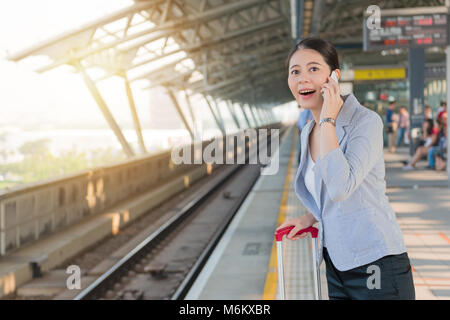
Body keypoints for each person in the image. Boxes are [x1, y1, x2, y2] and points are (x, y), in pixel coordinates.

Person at [277, 37, 414, 300]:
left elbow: (341, 187)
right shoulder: (309, 131)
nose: (303, 78)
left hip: (377, 264)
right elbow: (329, 193)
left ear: (334, 77)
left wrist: (328, 118)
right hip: (337, 264)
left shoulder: (365, 122)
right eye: (295, 72)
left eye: (314, 69)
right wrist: (311, 217)